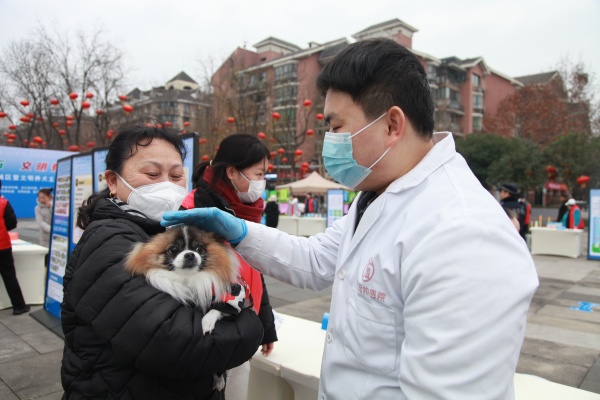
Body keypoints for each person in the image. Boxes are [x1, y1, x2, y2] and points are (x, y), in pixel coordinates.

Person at [162, 38, 538, 399]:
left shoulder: (463, 234)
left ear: (392, 125)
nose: (329, 139)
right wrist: (241, 233)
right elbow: (316, 260)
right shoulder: (377, 195)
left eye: (336, 126)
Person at [61, 124, 264, 399]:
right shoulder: (109, 240)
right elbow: (179, 341)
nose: (167, 184)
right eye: (152, 174)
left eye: (176, 175)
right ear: (113, 181)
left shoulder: (158, 229)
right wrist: (251, 325)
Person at [179, 133, 277, 400]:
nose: (262, 182)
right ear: (232, 172)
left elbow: (253, 271)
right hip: (211, 336)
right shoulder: (196, 212)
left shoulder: (248, 211)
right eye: (258, 174)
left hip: (242, 329)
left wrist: (265, 325)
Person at [0, 180, 30, 315]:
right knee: (9, 277)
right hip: (2, 246)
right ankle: (19, 306)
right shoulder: (3, 203)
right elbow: (12, 223)